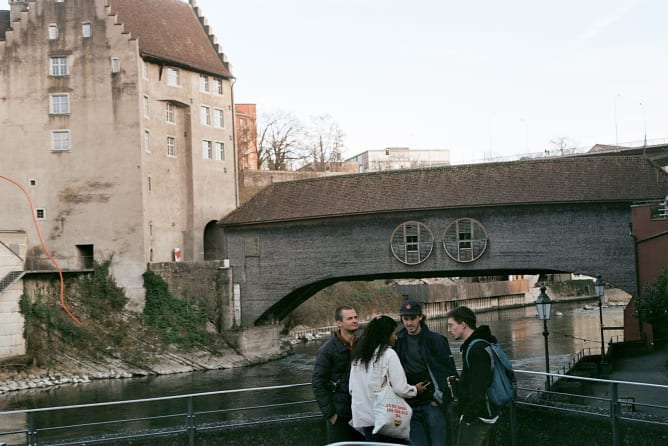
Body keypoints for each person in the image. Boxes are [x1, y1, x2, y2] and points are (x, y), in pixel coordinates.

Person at [349, 315, 429, 444]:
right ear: (385, 335)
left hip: (365, 420)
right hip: (385, 419)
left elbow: (352, 389)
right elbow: (400, 388)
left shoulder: (358, 357)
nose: (396, 337)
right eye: (394, 333)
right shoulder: (388, 354)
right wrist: (415, 389)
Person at [395, 300, 458, 446]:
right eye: (405, 319)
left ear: (420, 317)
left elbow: (449, 371)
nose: (409, 323)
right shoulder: (398, 340)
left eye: (412, 318)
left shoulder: (436, 340)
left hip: (432, 402)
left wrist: (440, 398)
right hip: (409, 403)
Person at [445, 306, 500, 446]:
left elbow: (478, 388)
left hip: (479, 417)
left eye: (451, 325)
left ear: (463, 325)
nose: (449, 330)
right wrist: (458, 384)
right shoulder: (477, 345)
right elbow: (477, 379)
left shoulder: (476, 350)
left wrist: (468, 417)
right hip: (484, 413)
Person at [312, 305, 365, 443]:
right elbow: (318, 383)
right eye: (350, 318)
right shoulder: (327, 350)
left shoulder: (362, 345)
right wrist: (331, 414)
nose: (355, 320)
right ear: (339, 323)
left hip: (361, 411)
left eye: (355, 317)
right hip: (340, 415)